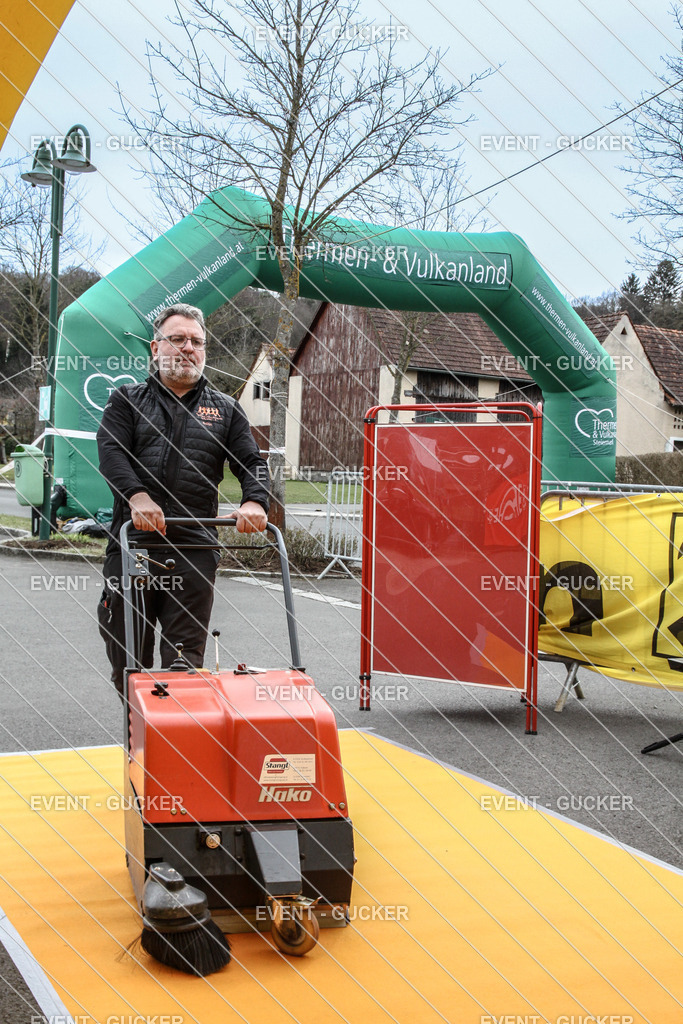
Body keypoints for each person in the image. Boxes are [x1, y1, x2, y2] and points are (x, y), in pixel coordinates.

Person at [96, 302, 269, 698]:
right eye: (177, 339)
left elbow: (252, 462)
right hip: (134, 546)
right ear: (156, 349)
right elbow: (111, 453)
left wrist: (255, 502)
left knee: (184, 666)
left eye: (196, 341)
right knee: (129, 663)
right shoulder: (126, 400)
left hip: (194, 547)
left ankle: (178, 753)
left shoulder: (226, 410)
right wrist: (137, 497)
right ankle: (136, 746)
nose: (188, 348)